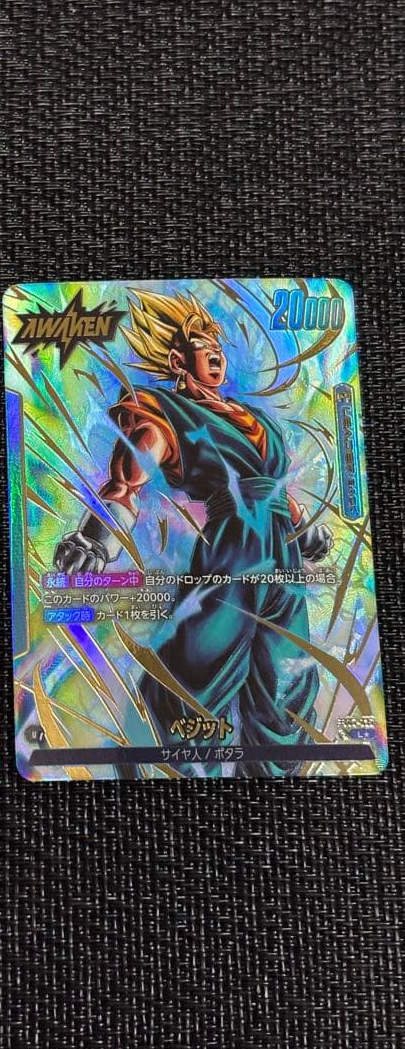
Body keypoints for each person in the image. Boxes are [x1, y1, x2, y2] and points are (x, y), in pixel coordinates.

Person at [54, 289, 332, 775]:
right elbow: (129, 477)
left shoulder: (256, 421)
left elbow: (273, 486)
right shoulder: (167, 413)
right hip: (232, 556)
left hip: (283, 565)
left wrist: (304, 530)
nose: (217, 355)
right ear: (178, 361)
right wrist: (95, 537)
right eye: (205, 348)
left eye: (218, 348)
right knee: (193, 676)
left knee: (287, 688)